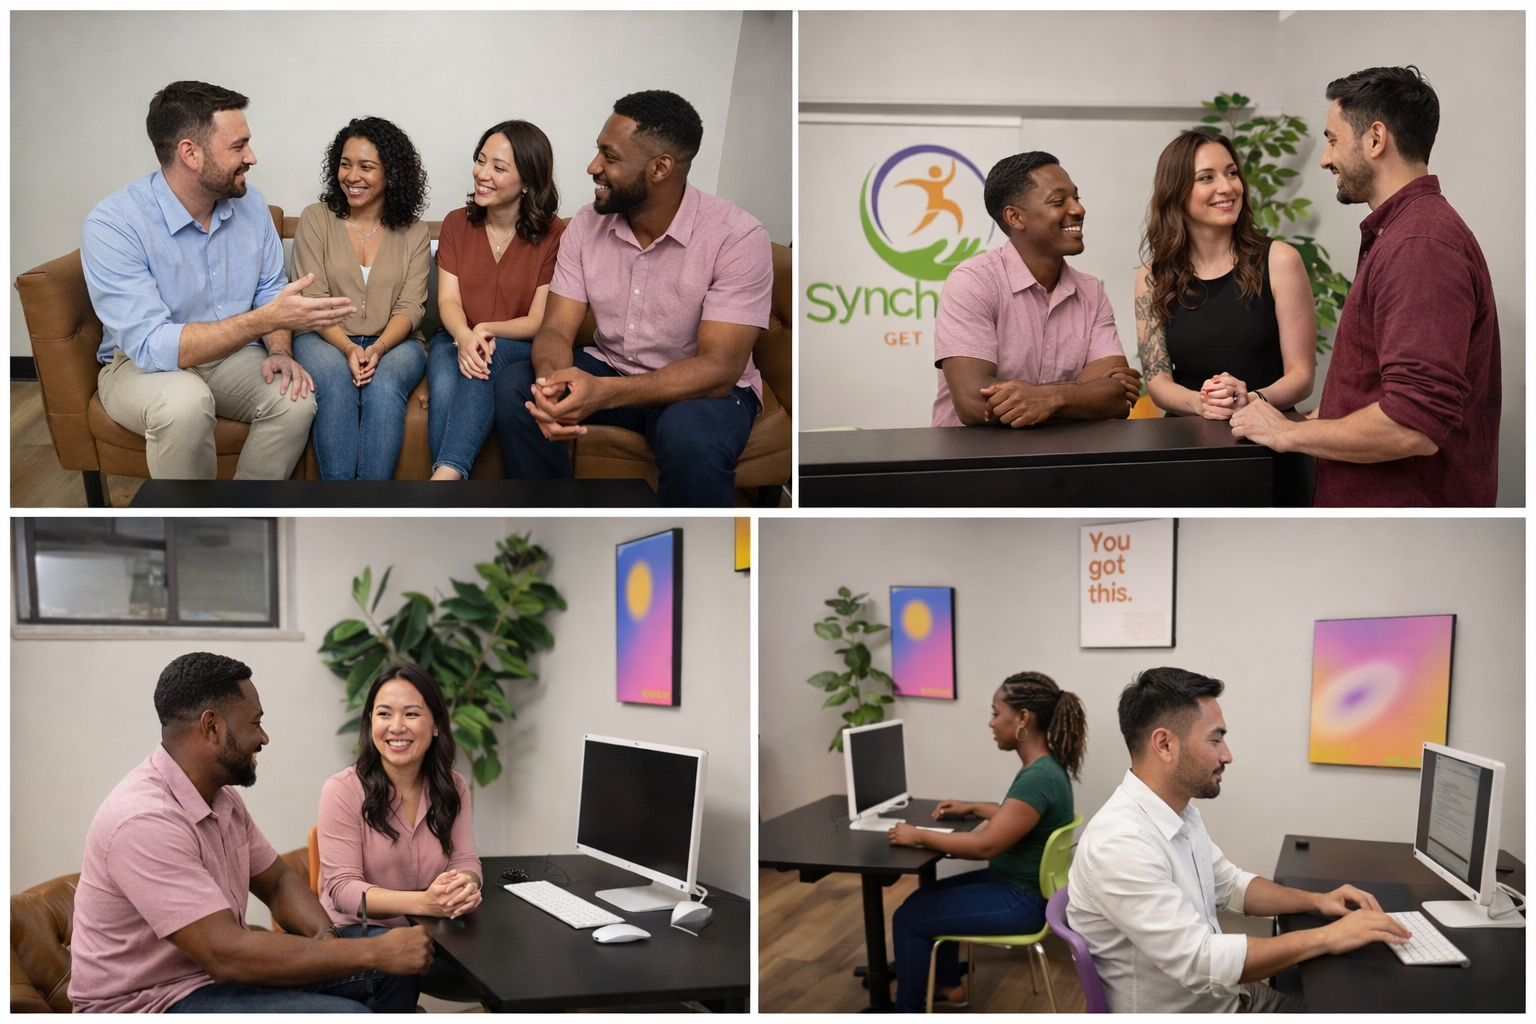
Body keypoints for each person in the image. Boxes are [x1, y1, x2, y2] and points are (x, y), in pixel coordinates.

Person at [69, 653, 432, 1013]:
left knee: (389, 970)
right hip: (150, 1002)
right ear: (212, 727)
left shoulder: (221, 796)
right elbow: (225, 954)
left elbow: (277, 882)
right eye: (255, 723)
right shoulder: (143, 819)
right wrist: (370, 952)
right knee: (353, 1009)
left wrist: (328, 941)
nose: (264, 737)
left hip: (214, 980)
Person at [1230, 66, 1501, 506]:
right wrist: (1285, 420)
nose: (1324, 158)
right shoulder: (1406, 235)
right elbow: (1374, 393)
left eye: (1333, 139)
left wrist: (1286, 434)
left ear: (1375, 139)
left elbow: (1413, 424)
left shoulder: (1420, 246)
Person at [1068, 667, 1411, 1013]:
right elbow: (1202, 961)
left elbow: (1231, 886)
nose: (1226, 755)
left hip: (1228, 996)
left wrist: (1318, 901)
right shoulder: (1121, 844)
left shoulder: (1179, 814)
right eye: (1215, 740)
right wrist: (1329, 937)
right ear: (1165, 744)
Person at [493, 90, 772, 507]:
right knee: (521, 384)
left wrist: (603, 393)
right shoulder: (586, 225)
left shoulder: (737, 237)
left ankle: (691, 560)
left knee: (691, 438)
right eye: (597, 152)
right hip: (612, 366)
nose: (593, 168)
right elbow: (555, 328)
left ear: (660, 168)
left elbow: (719, 368)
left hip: (697, 389)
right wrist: (554, 384)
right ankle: (552, 530)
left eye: (611, 157)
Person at [82, 81, 352, 480]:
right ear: (190, 153)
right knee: (184, 404)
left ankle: (242, 516)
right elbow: (151, 344)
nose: (252, 157)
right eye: (238, 146)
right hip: (142, 367)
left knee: (295, 399)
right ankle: (193, 532)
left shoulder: (252, 204)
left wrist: (278, 349)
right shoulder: (114, 225)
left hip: (231, 357)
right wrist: (261, 322)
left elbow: (268, 291)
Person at [885, 672, 1087, 1013]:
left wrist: (916, 835)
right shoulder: (1047, 767)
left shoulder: (1037, 777)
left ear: (1022, 717)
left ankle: (906, 1013)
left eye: (996, 712)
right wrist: (976, 807)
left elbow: (985, 847)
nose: (991, 723)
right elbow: (1020, 816)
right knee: (923, 899)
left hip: (1019, 902)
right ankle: (948, 988)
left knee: (908, 919)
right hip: (1022, 891)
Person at [931, 151, 1141, 428]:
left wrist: (1050, 397)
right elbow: (972, 403)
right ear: (1015, 217)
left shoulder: (1091, 291)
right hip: (979, 462)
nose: (1078, 209)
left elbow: (1117, 399)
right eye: (1058, 201)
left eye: (1076, 198)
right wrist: (1080, 391)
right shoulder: (973, 281)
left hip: (1063, 463)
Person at [317, 666, 482, 997]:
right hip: (355, 937)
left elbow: (465, 859)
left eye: (411, 714)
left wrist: (466, 884)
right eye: (383, 714)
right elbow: (342, 890)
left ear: (435, 725)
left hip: (429, 931)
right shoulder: (342, 789)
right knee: (401, 962)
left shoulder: (454, 786)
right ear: (370, 723)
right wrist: (424, 903)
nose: (396, 727)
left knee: (503, 965)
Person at [1134, 131, 1315, 419]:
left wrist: (1251, 399)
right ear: (1176, 191)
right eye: (1207, 177)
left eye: (1232, 173)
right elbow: (1158, 383)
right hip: (1187, 442)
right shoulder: (1153, 276)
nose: (1227, 187)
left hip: (1271, 438)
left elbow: (1301, 376)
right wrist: (1201, 403)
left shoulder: (1281, 260)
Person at [292, 117, 432, 480]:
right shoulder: (315, 219)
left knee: (384, 387)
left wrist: (379, 347)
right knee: (337, 383)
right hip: (322, 336)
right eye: (345, 164)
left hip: (396, 342)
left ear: (391, 174)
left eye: (366, 167)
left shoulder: (414, 231)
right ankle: (338, 505)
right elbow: (313, 297)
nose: (352, 176)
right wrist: (349, 348)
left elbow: (410, 306)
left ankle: (373, 504)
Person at [427, 120, 565, 480]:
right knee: (444, 386)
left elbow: (537, 321)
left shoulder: (554, 234)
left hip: (516, 344)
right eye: (480, 160)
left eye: (498, 167)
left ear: (528, 182)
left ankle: (443, 481)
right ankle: (446, 488)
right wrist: (463, 336)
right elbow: (449, 302)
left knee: (488, 353)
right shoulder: (457, 223)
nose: (481, 174)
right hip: (455, 336)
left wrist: (483, 330)